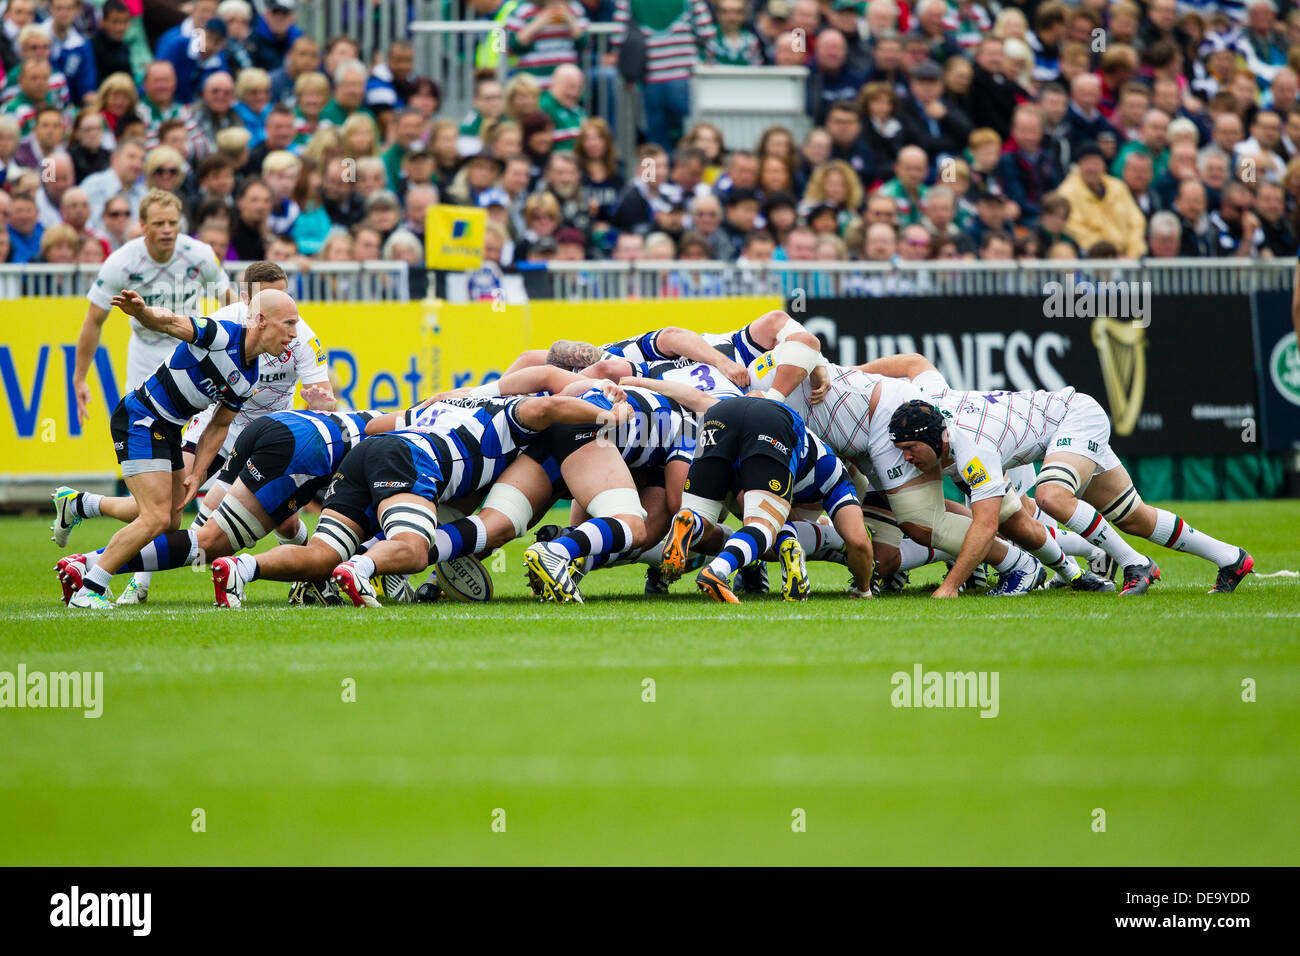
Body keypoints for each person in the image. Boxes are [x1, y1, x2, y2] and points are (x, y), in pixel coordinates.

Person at [58, 286, 301, 609]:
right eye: (288, 323)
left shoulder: (250, 375)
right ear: (259, 320)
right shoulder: (220, 336)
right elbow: (171, 322)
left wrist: (199, 474)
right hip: (141, 418)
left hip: (168, 428)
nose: (294, 333)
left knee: (170, 518)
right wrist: (142, 313)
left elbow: (218, 426)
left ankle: (80, 504)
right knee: (156, 517)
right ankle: (91, 587)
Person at [69, 190, 235, 430]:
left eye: (173, 222)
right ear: (143, 225)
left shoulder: (200, 255)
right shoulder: (122, 262)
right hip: (145, 352)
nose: (167, 229)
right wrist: (80, 377)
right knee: (141, 427)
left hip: (192, 348)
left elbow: (228, 300)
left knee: (197, 431)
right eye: (159, 223)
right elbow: (94, 321)